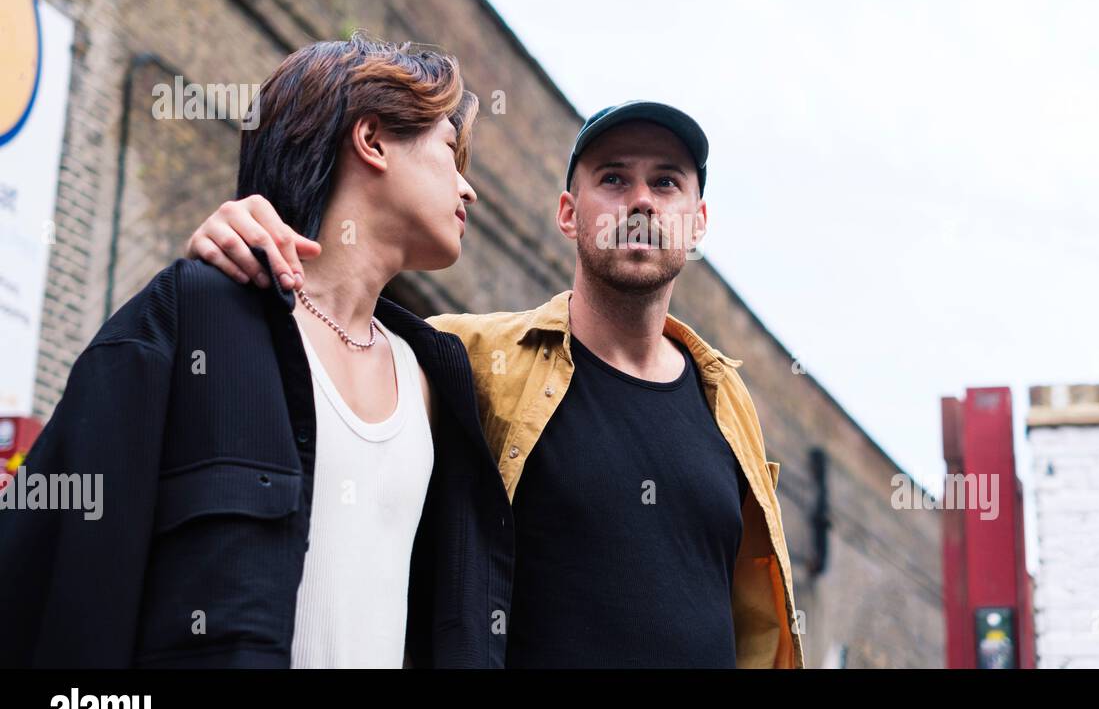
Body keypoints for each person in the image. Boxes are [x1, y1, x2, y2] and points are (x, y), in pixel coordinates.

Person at [185, 100, 804, 668]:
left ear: (696, 223)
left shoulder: (726, 399)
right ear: (569, 214)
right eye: (613, 179)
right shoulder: (466, 356)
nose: (640, 201)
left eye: (665, 181)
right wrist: (240, 236)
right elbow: (332, 330)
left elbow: (753, 619)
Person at [0, 34, 513, 668]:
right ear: (373, 140)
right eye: (448, 154)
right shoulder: (195, 319)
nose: (469, 191)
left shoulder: (437, 376)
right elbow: (52, 572)